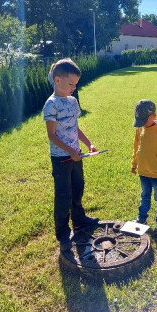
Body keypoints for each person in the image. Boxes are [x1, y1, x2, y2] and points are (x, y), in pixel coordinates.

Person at [43, 58, 99, 258]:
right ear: (57, 80)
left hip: (76, 155)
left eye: (76, 85)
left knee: (78, 187)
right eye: (71, 84)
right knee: (63, 195)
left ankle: (79, 220)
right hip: (61, 159)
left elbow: (75, 127)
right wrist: (70, 152)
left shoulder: (72, 101)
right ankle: (63, 235)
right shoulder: (51, 105)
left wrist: (88, 143)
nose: (74, 88)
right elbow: (52, 135)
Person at [131, 99, 157, 236]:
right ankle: (141, 218)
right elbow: (137, 147)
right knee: (144, 196)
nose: (141, 123)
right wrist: (134, 164)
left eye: (144, 119)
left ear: (154, 115)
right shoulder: (140, 128)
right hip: (143, 171)